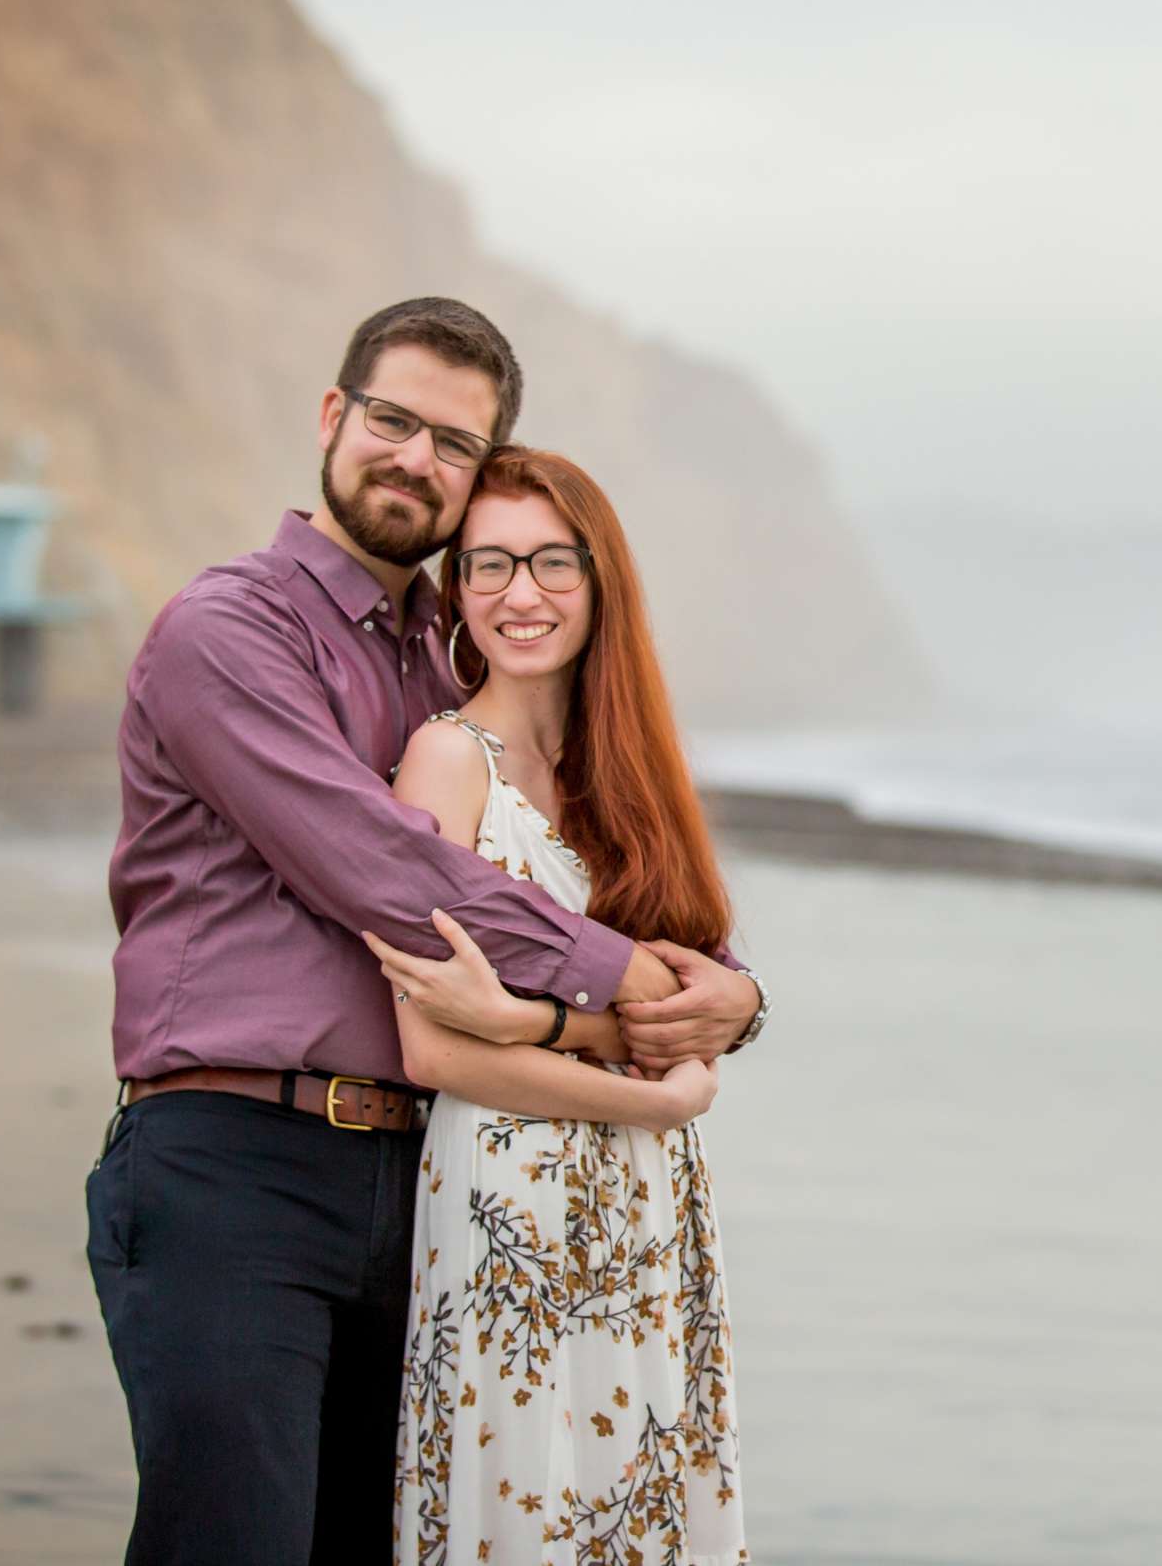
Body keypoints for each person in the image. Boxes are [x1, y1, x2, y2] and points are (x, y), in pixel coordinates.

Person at [88, 297, 769, 1565]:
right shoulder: (230, 631)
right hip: (234, 1161)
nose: (417, 458)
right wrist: (633, 1001)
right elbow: (388, 873)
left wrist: (734, 992)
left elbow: (586, 863)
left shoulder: (439, 664)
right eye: (394, 420)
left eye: (454, 443)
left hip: (428, 1187)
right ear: (334, 417)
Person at [363, 447, 748, 1564]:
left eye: (548, 563)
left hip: (651, 1205)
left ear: (599, 578)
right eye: (488, 564)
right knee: (525, 1509)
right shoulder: (444, 761)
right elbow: (433, 1050)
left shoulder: (629, 771)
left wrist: (698, 1060)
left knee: (640, 1510)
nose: (518, 595)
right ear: (456, 590)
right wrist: (661, 1098)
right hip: (509, 1203)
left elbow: (700, 1002)